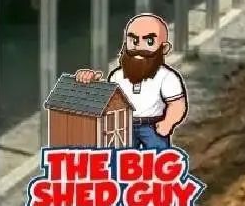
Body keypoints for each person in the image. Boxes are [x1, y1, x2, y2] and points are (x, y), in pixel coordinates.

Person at [75, 13, 188, 150]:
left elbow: (177, 104)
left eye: (149, 41)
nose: (139, 48)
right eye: (134, 41)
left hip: (153, 127)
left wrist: (167, 123)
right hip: (123, 125)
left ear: (164, 48)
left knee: (157, 158)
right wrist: (91, 83)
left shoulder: (167, 77)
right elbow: (109, 101)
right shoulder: (117, 75)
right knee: (119, 158)